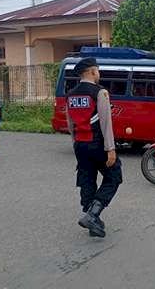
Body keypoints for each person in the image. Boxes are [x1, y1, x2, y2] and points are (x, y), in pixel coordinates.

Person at [66, 57, 122, 238]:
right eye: (97, 70)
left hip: (80, 145)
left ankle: (92, 223)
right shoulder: (100, 92)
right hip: (97, 144)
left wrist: (76, 143)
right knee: (114, 176)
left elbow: (70, 125)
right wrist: (111, 149)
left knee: (87, 180)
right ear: (91, 71)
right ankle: (93, 214)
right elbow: (106, 123)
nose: (99, 73)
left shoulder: (71, 93)